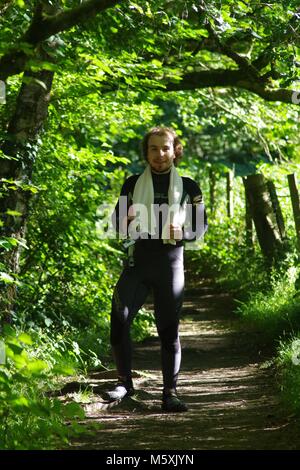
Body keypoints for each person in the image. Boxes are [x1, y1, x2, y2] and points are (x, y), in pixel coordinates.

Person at [106, 126, 208, 412]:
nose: (160, 154)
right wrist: (123, 221)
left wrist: (183, 232)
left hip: (170, 264)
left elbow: (201, 226)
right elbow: (116, 224)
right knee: (119, 320)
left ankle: (170, 392)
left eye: (165, 148)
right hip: (138, 262)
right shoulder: (131, 183)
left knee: (168, 331)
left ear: (175, 150)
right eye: (153, 148)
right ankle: (124, 384)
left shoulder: (189, 186)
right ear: (146, 152)